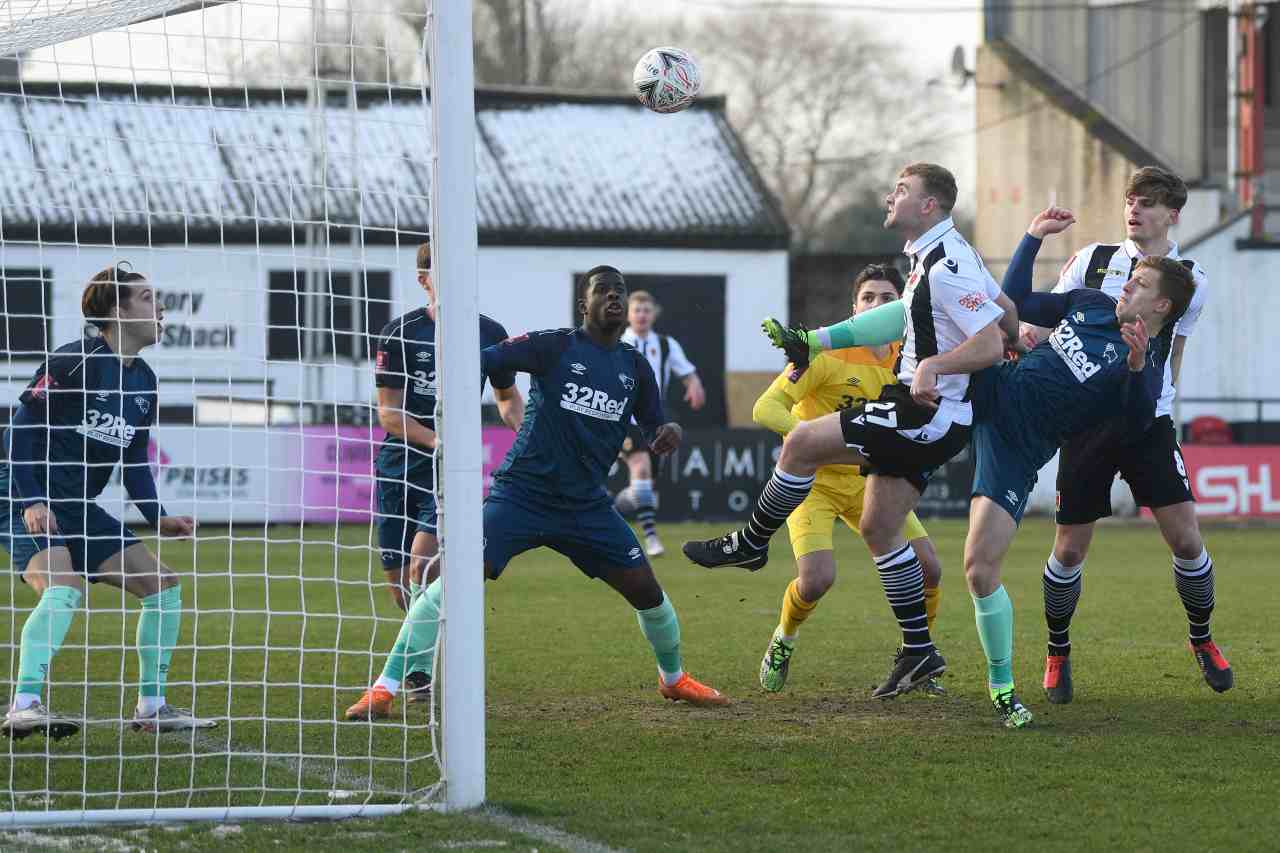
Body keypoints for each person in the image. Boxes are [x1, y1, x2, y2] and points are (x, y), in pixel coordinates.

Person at [684, 162, 1016, 699]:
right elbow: (1002, 316)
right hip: (932, 415)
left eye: (902, 190)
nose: (890, 196)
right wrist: (815, 340)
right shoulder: (942, 255)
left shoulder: (946, 265)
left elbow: (991, 344)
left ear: (928, 205)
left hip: (922, 411)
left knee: (801, 442)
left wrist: (935, 367)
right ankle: (918, 651)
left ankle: (750, 542)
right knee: (879, 528)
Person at [344, 265, 727, 721]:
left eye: (619, 292)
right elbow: (486, 360)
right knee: (455, 581)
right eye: (602, 291)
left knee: (648, 591)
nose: (614, 298)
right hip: (521, 496)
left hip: (586, 505)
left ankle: (673, 679)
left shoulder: (635, 366)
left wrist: (669, 431)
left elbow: (654, 425)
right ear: (584, 305)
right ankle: (384, 689)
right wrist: (461, 403)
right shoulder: (554, 344)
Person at [963, 207, 1195, 727]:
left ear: (1160, 305)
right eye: (1128, 279)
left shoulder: (1146, 369)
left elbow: (1136, 424)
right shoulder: (1090, 301)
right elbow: (1018, 302)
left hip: (1018, 450)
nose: (1125, 287)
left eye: (1138, 285)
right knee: (943, 315)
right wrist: (1030, 238)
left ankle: (1002, 688)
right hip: (988, 387)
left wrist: (1135, 368)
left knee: (979, 568)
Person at [1019, 168, 1226, 703]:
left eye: (1149, 204)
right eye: (1131, 201)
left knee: (1186, 538)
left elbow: (1175, 346)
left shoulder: (1190, 278)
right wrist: (1028, 340)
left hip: (1147, 420)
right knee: (1068, 548)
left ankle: (1201, 639)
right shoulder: (1091, 260)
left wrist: (1165, 396)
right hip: (1087, 419)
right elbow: (1048, 321)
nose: (1135, 210)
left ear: (1172, 215)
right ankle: (1057, 651)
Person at [1, 264, 215, 739]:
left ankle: (152, 708)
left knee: (163, 585)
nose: (159, 308)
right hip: (22, 492)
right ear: (117, 310)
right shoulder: (74, 361)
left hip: (78, 503)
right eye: (146, 298)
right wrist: (33, 500)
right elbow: (21, 432)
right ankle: (24, 704)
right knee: (64, 587)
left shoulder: (144, 382)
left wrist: (158, 517)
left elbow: (134, 459)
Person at [751, 264, 946, 694]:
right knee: (818, 579)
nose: (877, 305)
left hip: (868, 481)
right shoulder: (827, 355)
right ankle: (784, 639)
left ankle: (915, 657)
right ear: (854, 309)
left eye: (886, 299)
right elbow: (765, 408)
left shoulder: (911, 359)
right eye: (868, 299)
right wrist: (808, 441)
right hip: (814, 484)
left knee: (930, 567)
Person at [367, 242, 525, 706]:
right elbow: (390, 415)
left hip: (448, 471)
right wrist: (437, 440)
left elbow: (506, 396)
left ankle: (414, 674)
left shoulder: (490, 332)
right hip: (400, 464)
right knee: (401, 586)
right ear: (423, 279)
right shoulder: (400, 333)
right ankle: (417, 660)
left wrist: (526, 431)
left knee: (425, 564)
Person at [616, 290, 705, 557]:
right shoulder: (618, 343)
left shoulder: (666, 345)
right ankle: (651, 538)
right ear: (628, 315)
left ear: (654, 314)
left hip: (654, 421)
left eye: (646, 310)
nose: (642, 315)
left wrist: (695, 385)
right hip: (624, 418)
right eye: (636, 310)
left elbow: (687, 372)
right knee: (640, 468)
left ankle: (611, 510)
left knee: (644, 488)